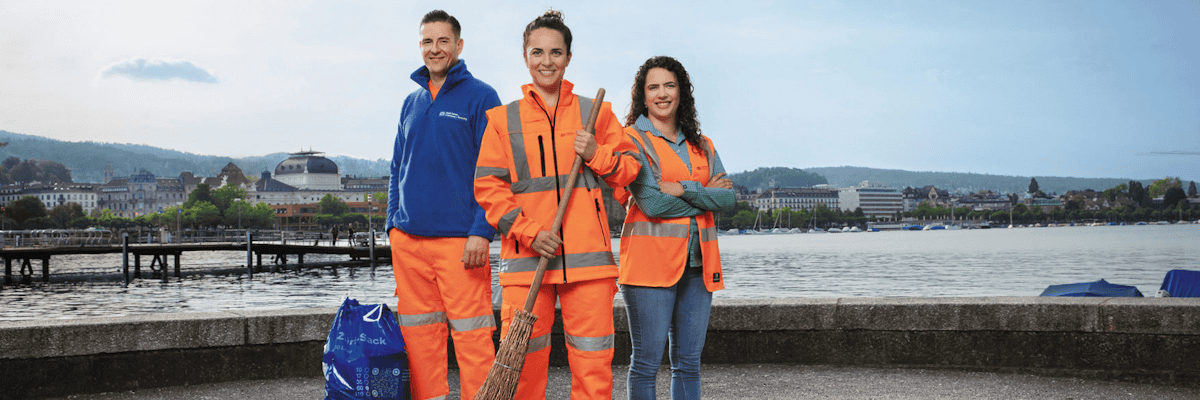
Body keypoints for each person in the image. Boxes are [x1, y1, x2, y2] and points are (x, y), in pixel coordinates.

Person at [473, 9, 641, 400]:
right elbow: (488, 187)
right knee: (524, 368)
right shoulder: (501, 119)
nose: (546, 61)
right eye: (537, 52)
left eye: (555, 52)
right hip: (526, 261)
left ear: (568, 57)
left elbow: (630, 169)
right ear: (525, 56)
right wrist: (530, 234)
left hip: (589, 262)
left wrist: (597, 154)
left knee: (593, 366)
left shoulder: (595, 113)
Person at [386, 10, 501, 400]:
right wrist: (392, 227)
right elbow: (397, 168)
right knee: (419, 338)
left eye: (442, 41)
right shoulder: (410, 102)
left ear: (458, 45)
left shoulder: (483, 96)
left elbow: (496, 171)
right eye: (427, 42)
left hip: (461, 243)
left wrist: (482, 231)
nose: (434, 49)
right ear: (420, 46)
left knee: (473, 339)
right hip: (409, 244)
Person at [617, 56, 735, 400]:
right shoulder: (632, 140)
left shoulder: (703, 144)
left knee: (689, 364)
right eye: (653, 87)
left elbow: (728, 202)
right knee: (646, 364)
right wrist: (706, 194)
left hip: (700, 267)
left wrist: (684, 188)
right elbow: (652, 203)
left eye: (669, 85)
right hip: (648, 268)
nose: (662, 94)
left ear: (682, 92)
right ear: (642, 95)